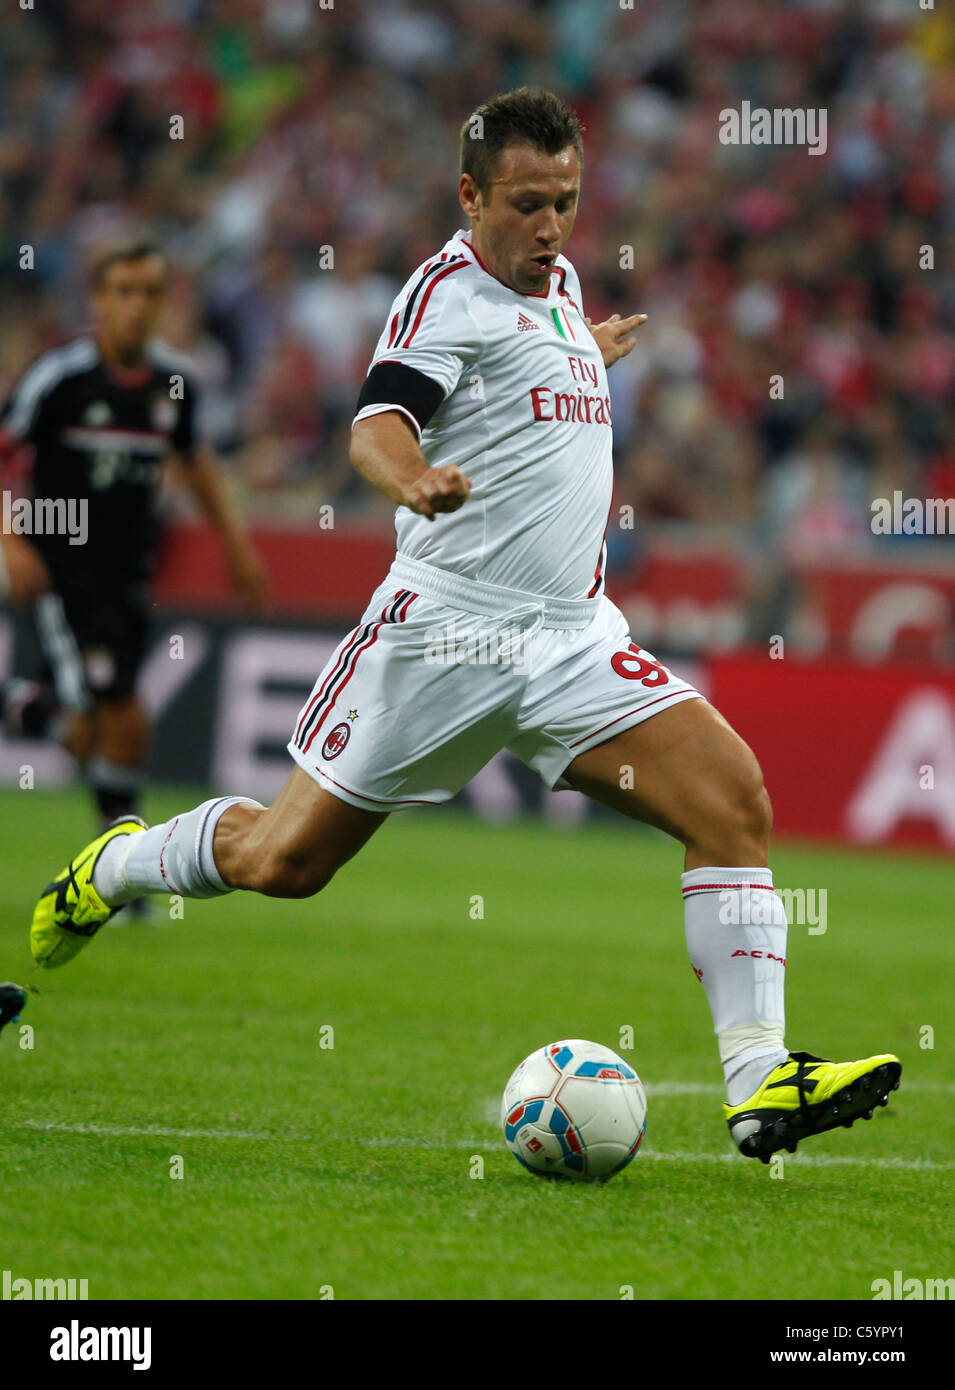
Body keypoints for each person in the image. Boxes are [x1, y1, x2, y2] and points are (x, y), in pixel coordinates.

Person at [26, 91, 899, 1161]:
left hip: (570, 635)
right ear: (470, 196)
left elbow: (528, 376)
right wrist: (414, 478)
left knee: (733, 802)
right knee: (284, 861)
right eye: (527, 204)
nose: (549, 227)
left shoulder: (561, 287)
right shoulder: (445, 294)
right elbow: (377, 423)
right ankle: (116, 866)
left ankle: (761, 1081)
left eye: (567, 203)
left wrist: (587, 352)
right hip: (445, 632)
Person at [1, 237, 270, 913]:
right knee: (126, 718)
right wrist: (9, 536)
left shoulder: (171, 383)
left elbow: (198, 463)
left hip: (130, 576)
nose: (137, 306)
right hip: (64, 569)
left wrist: (236, 545)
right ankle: (118, 884)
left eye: (150, 293)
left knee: (104, 733)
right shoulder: (59, 378)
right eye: (123, 292)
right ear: (98, 300)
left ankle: (18, 705)